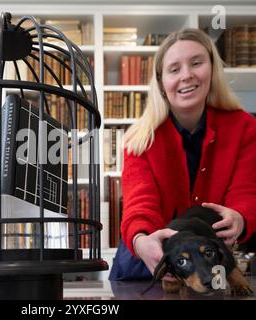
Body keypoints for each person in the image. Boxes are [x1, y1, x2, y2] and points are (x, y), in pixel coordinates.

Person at [109, 28, 256, 282]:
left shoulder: (245, 127)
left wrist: (241, 217)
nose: (187, 75)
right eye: (174, 69)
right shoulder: (139, 138)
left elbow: (246, 191)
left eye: (196, 63)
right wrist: (141, 240)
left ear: (212, 69)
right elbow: (139, 204)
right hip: (146, 263)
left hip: (208, 266)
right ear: (162, 82)